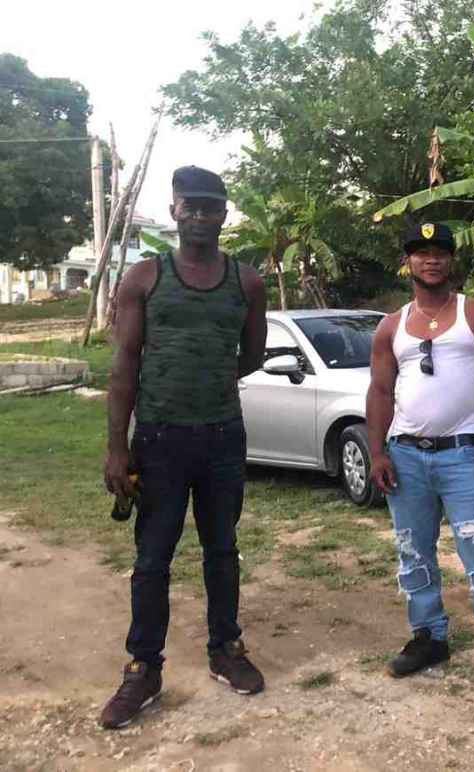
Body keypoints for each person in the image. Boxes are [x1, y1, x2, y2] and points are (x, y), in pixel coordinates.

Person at [100, 166, 268, 730]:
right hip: (159, 439)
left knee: (222, 549)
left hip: (222, 436)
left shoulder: (246, 282)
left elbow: (250, 356)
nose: (199, 215)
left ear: (224, 214)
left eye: (210, 206)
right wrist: (116, 448)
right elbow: (124, 365)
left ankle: (226, 649)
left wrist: (206, 380)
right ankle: (143, 668)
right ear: (173, 211)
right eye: (190, 206)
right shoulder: (145, 278)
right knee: (152, 560)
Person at [366, 222, 474, 693]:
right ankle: (428, 636)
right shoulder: (391, 325)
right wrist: (376, 449)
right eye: (421, 253)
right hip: (405, 454)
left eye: (440, 251)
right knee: (412, 551)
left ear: (450, 260)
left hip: (464, 453)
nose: (431, 260)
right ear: (410, 263)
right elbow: (380, 390)